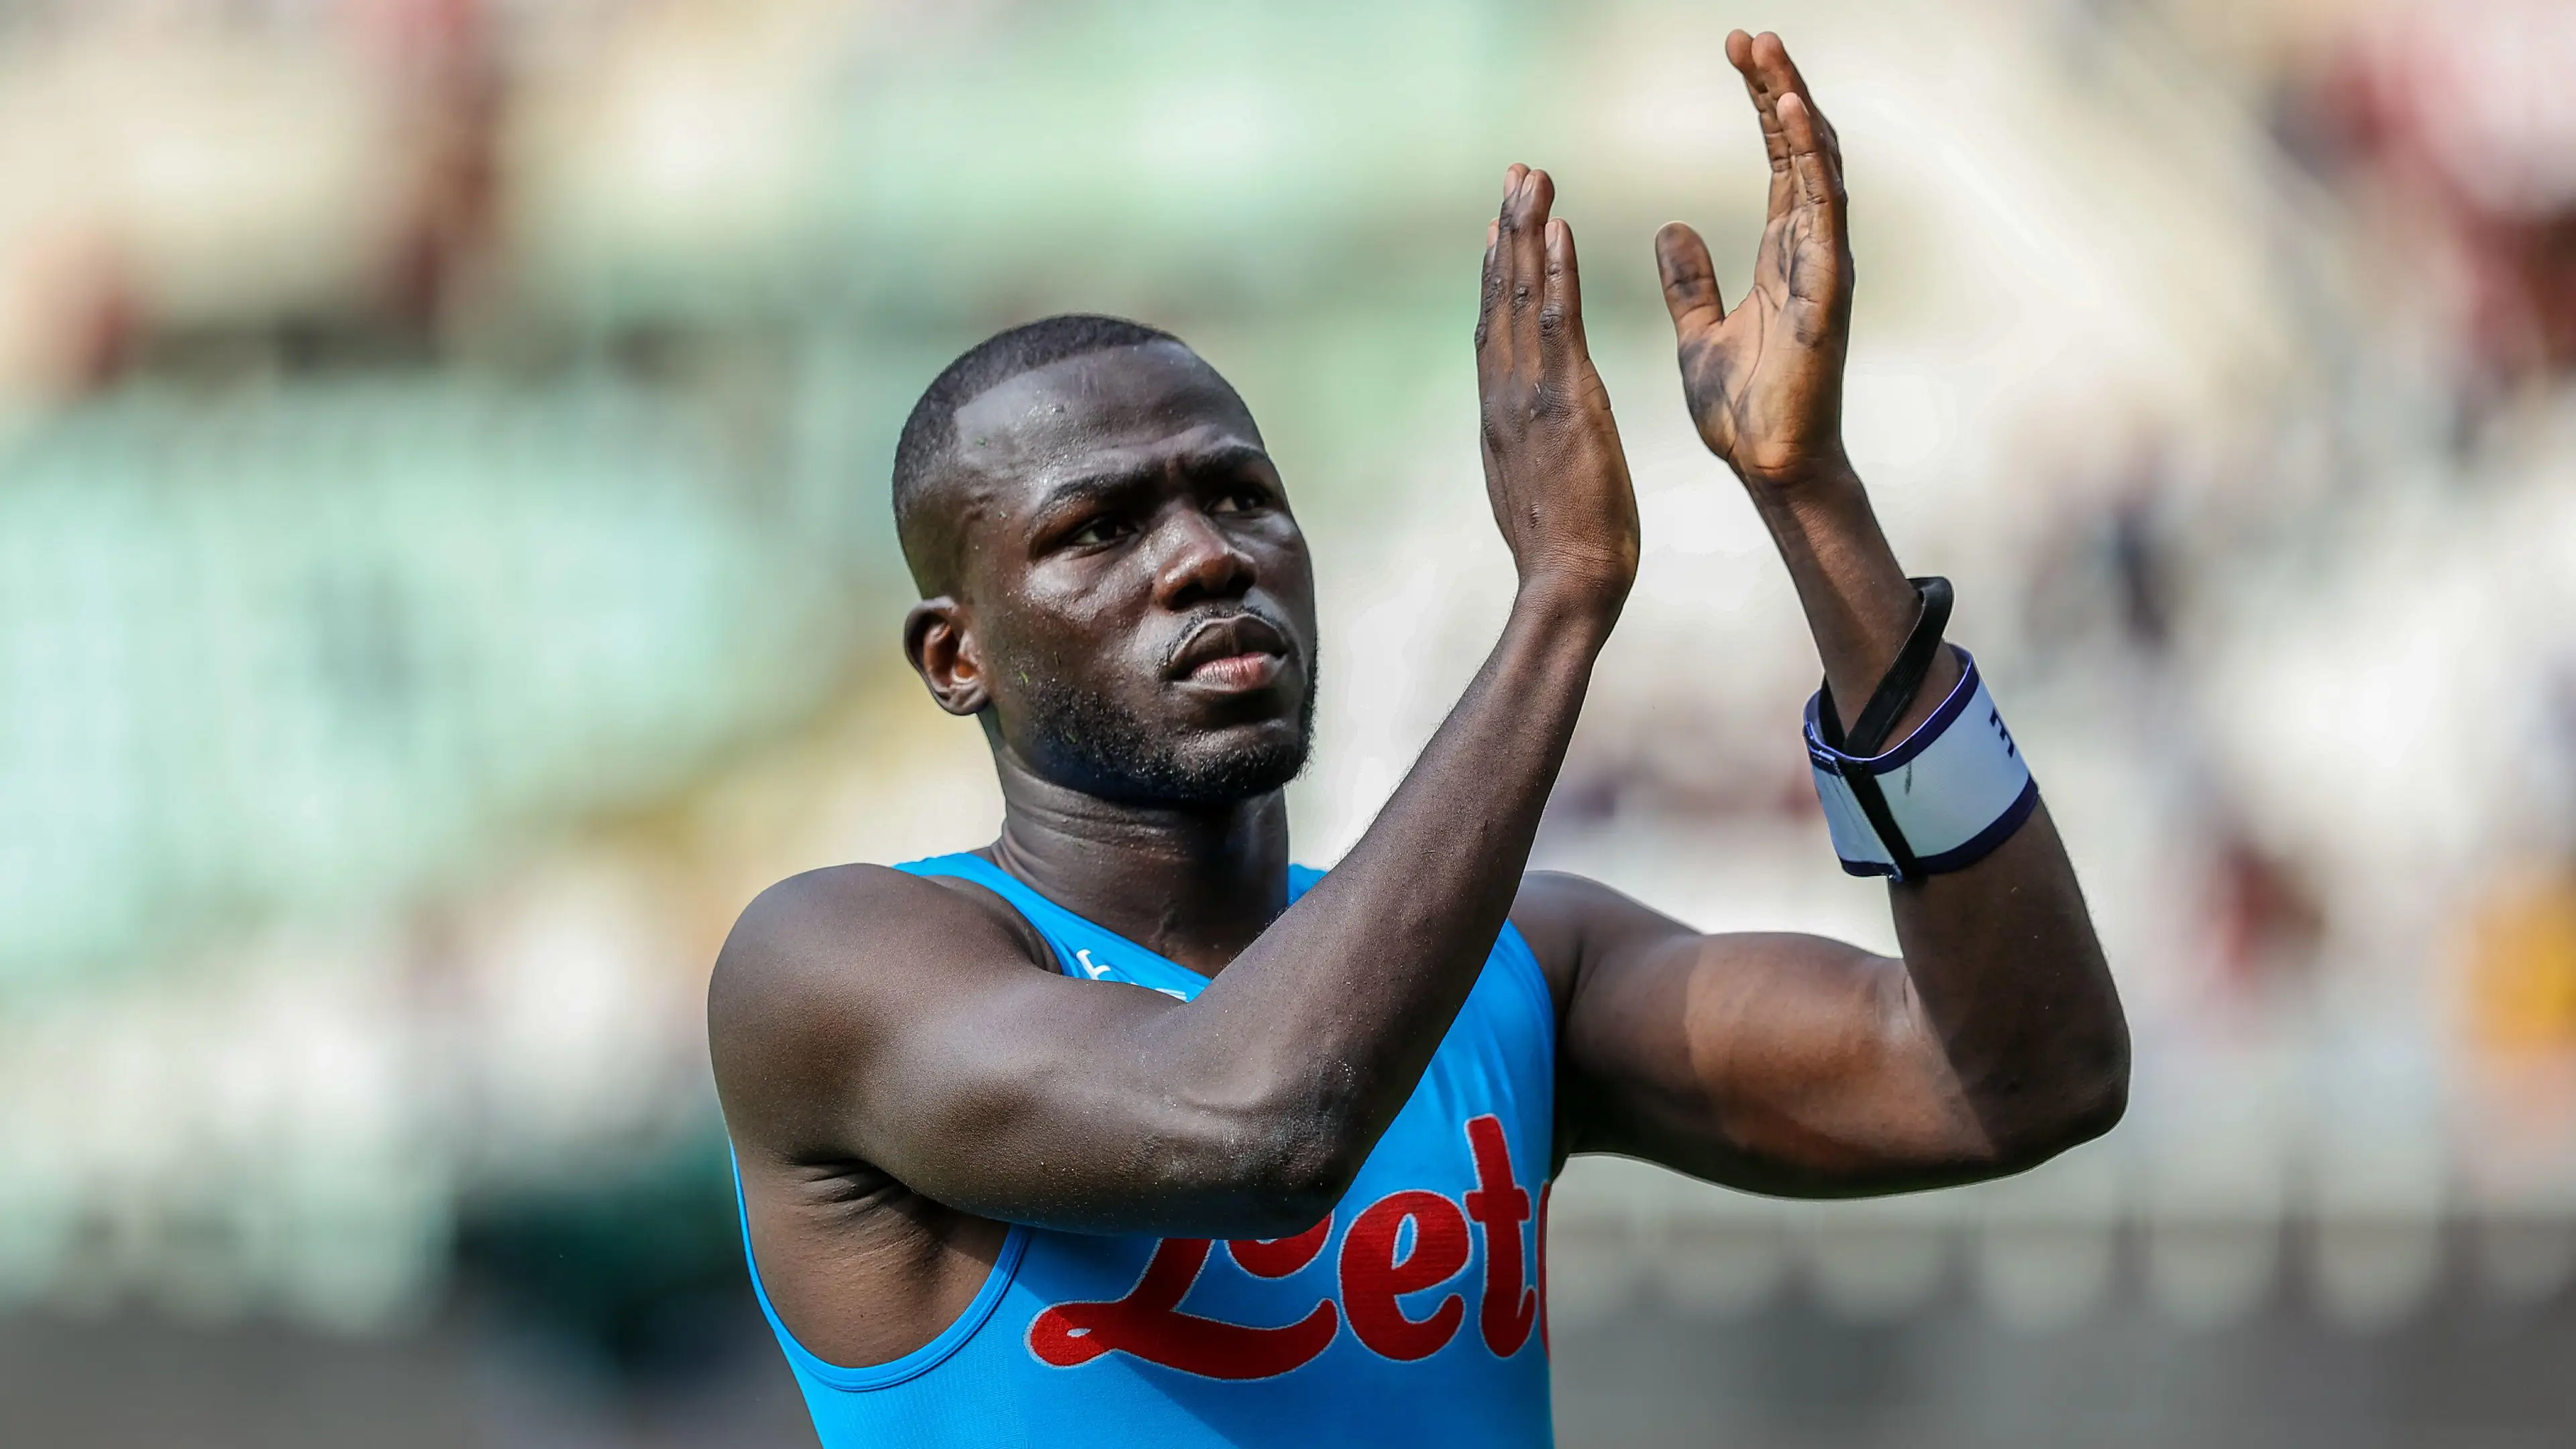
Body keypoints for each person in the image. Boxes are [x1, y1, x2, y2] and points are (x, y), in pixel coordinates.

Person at [708, 30, 2127, 1448]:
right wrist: (1562, 599)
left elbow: (2024, 1078)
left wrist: (1813, 500)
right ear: (956, 658)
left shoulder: (1523, 970)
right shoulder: (828, 966)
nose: (1205, 556)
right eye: (1100, 529)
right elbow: (1258, 1127)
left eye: (1242, 497)